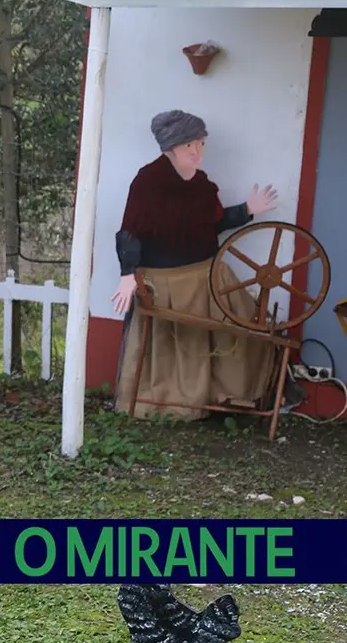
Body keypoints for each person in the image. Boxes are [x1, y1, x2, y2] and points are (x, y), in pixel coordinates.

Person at [111, 109, 282, 419]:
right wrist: (127, 275)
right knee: (173, 340)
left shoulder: (202, 185)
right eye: (190, 144)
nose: (197, 151)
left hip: (207, 274)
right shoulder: (148, 182)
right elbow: (130, 231)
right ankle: (166, 400)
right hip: (166, 281)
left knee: (246, 323)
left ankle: (230, 393)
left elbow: (212, 223)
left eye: (201, 143)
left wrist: (247, 209)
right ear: (171, 147)